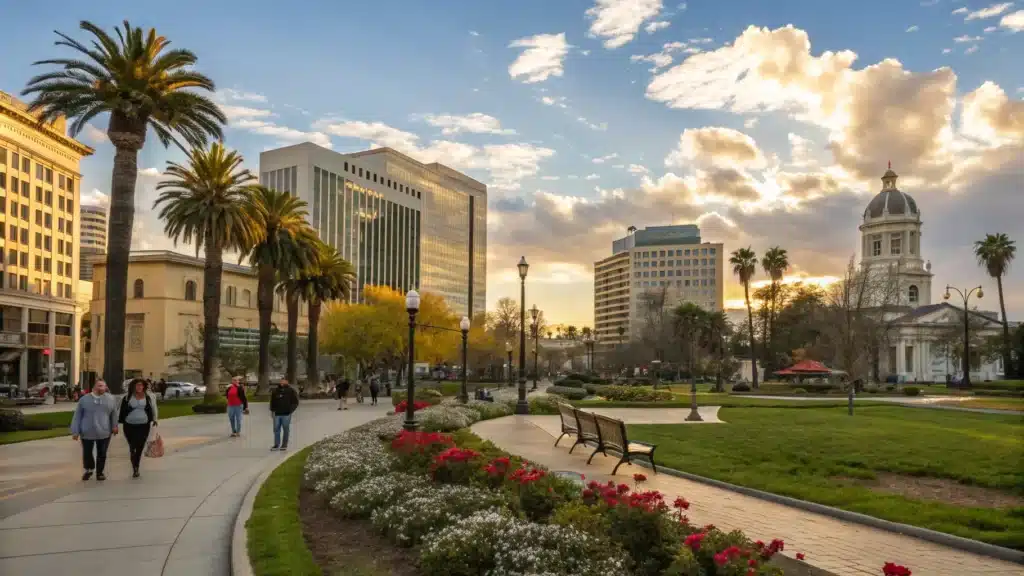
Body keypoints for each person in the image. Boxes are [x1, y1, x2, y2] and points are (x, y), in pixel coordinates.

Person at [70, 379, 118, 481]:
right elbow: (77, 416)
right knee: (87, 452)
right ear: (94, 387)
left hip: (104, 431)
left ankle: (100, 472)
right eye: (100, 386)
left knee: (102, 453)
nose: (102, 388)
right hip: (87, 431)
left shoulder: (110, 399)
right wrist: (75, 431)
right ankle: (89, 468)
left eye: (104, 386)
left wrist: (114, 426)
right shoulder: (84, 400)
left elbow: (114, 414)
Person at [118, 378, 158, 478]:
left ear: (144, 386)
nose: (139, 387)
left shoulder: (149, 397)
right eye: (137, 385)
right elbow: (119, 409)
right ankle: (133, 455)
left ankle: (136, 467)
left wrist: (155, 419)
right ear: (133, 386)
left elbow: (154, 407)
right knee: (133, 446)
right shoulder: (126, 397)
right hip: (129, 425)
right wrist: (115, 423)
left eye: (141, 385)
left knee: (140, 446)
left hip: (144, 425)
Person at [269, 378, 299, 451]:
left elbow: (295, 402)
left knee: (286, 429)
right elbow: (272, 402)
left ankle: (284, 444)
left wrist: (290, 410)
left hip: (286, 414)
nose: (282, 382)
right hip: (277, 414)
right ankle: (276, 444)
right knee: (276, 429)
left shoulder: (291, 391)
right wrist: (272, 411)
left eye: (284, 381)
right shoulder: (275, 391)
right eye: (281, 381)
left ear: (287, 382)